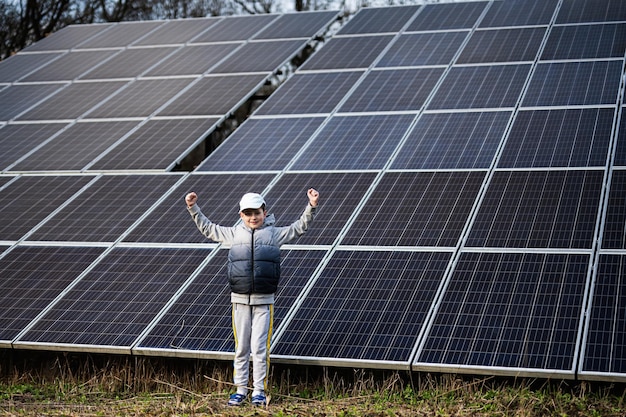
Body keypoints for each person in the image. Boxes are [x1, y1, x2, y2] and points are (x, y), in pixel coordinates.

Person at [184, 188, 319, 407]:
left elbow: (299, 228)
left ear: (265, 212)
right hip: (238, 301)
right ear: (241, 215)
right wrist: (193, 208)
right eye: (248, 213)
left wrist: (311, 206)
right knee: (241, 348)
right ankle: (240, 389)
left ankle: (258, 390)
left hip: (264, 302)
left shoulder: (274, 234)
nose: (253, 217)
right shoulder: (233, 235)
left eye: (256, 212)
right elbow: (208, 229)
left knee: (259, 348)